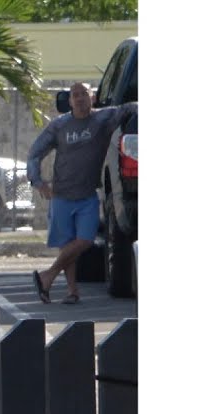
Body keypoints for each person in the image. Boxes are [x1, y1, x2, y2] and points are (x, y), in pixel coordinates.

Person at [27, 82, 137, 304]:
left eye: (84, 94)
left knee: (85, 240)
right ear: (69, 101)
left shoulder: (104, 119)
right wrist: (38, 182)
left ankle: (47, 275)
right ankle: (71, 291)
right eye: (74, 95)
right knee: (68, 245)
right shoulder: (59, 126)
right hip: (61, 196)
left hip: (87, 195)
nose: (79, 98)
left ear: (92, 97)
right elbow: (35, 153)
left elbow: (129, 108)